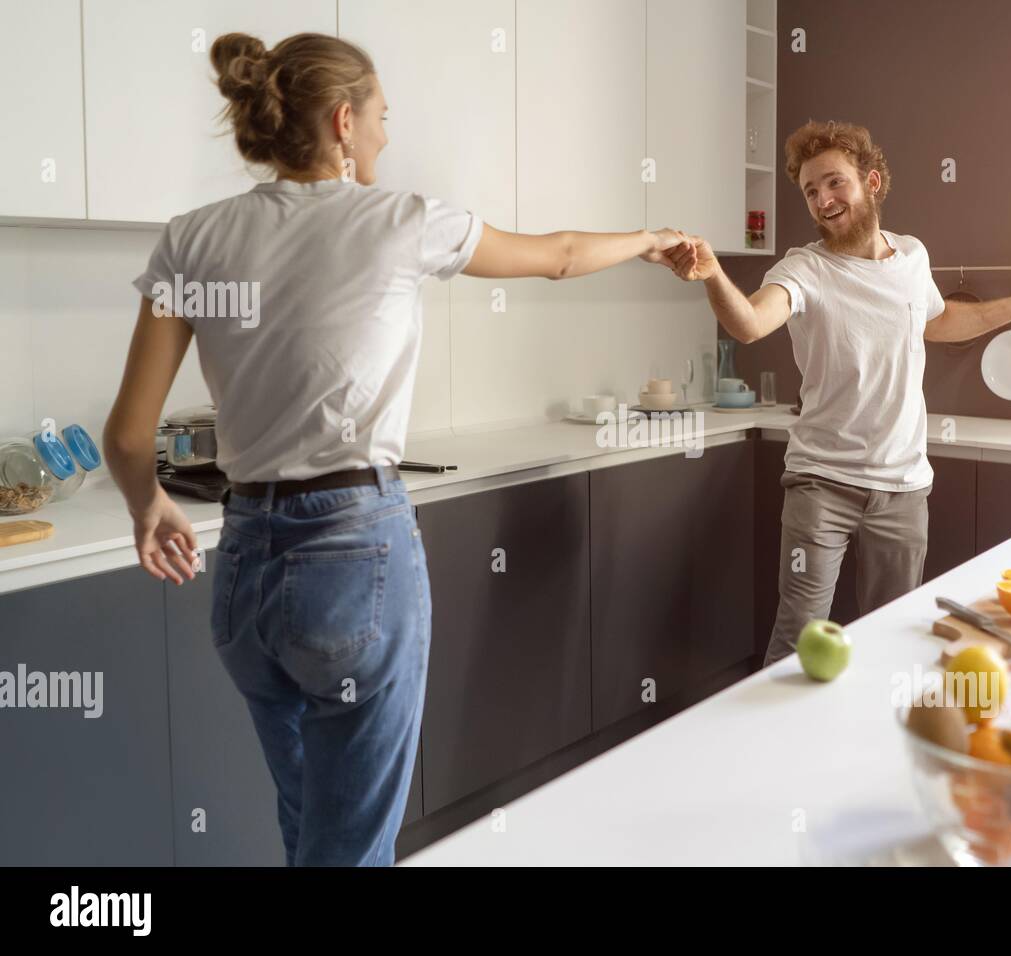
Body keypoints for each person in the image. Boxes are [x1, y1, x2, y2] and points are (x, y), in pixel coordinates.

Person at [102, 32, 690, 866]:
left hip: (243, 573)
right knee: (350, 847)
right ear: (344, 122)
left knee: (307, 820)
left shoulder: (192, 239)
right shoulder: (405, 219)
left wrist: (146, 505)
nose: (385, 135)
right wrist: (648, 237)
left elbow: (128, 436)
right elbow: (556, 257)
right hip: (353, 555)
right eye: (381, 117)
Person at [663, 120, 1011, 666]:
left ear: (871, 182)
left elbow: (938, 319)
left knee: (891, 639)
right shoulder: (805, 269)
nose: (823, 201)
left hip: (903, 487)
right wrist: (714, 276)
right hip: (820, 484)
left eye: (834, 183)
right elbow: (752, 323)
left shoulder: (912, 257)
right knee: (798, 640)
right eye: (811, 192)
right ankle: (775, 749)